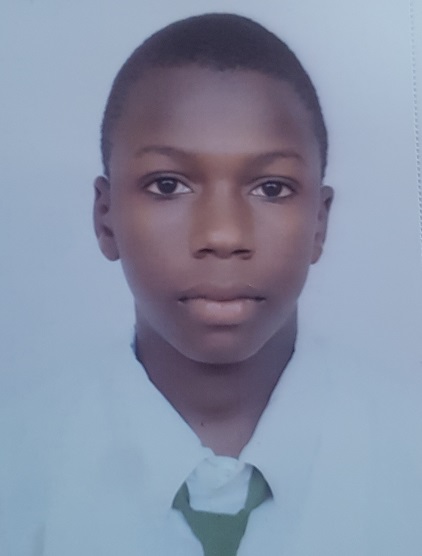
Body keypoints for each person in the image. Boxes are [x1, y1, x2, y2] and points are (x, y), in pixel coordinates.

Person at [1, 12, 421, 556]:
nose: (223, 235)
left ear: (320, 223)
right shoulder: (17, 463)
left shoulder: (408, 453)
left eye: (272, 188)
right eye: (167, 185)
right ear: (106, 219)